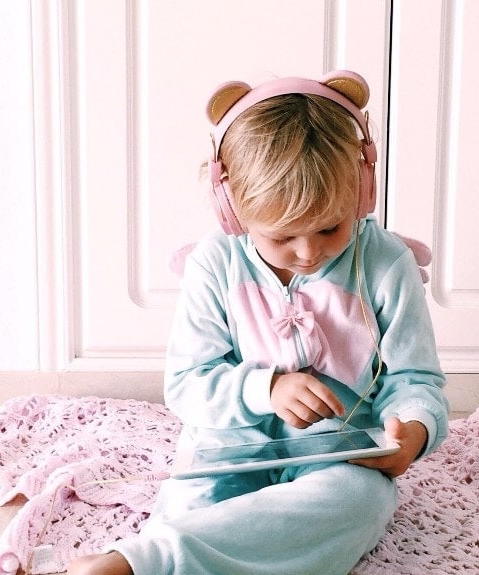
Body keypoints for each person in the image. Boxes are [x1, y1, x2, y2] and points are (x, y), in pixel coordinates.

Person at [67, 70, 449, 575]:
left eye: (331, 227)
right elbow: (187, 383)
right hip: (228, 448)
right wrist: (264, 390)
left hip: (338, 453)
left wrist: (415, 431)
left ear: (362, 188)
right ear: (233, 210)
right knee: (190, 507)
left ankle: (151, 563)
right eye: (282, 237)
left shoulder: (385, 261)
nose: (309, 252)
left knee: (364, 501)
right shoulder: (216, 262)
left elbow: (414, 379)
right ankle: (152, 557)